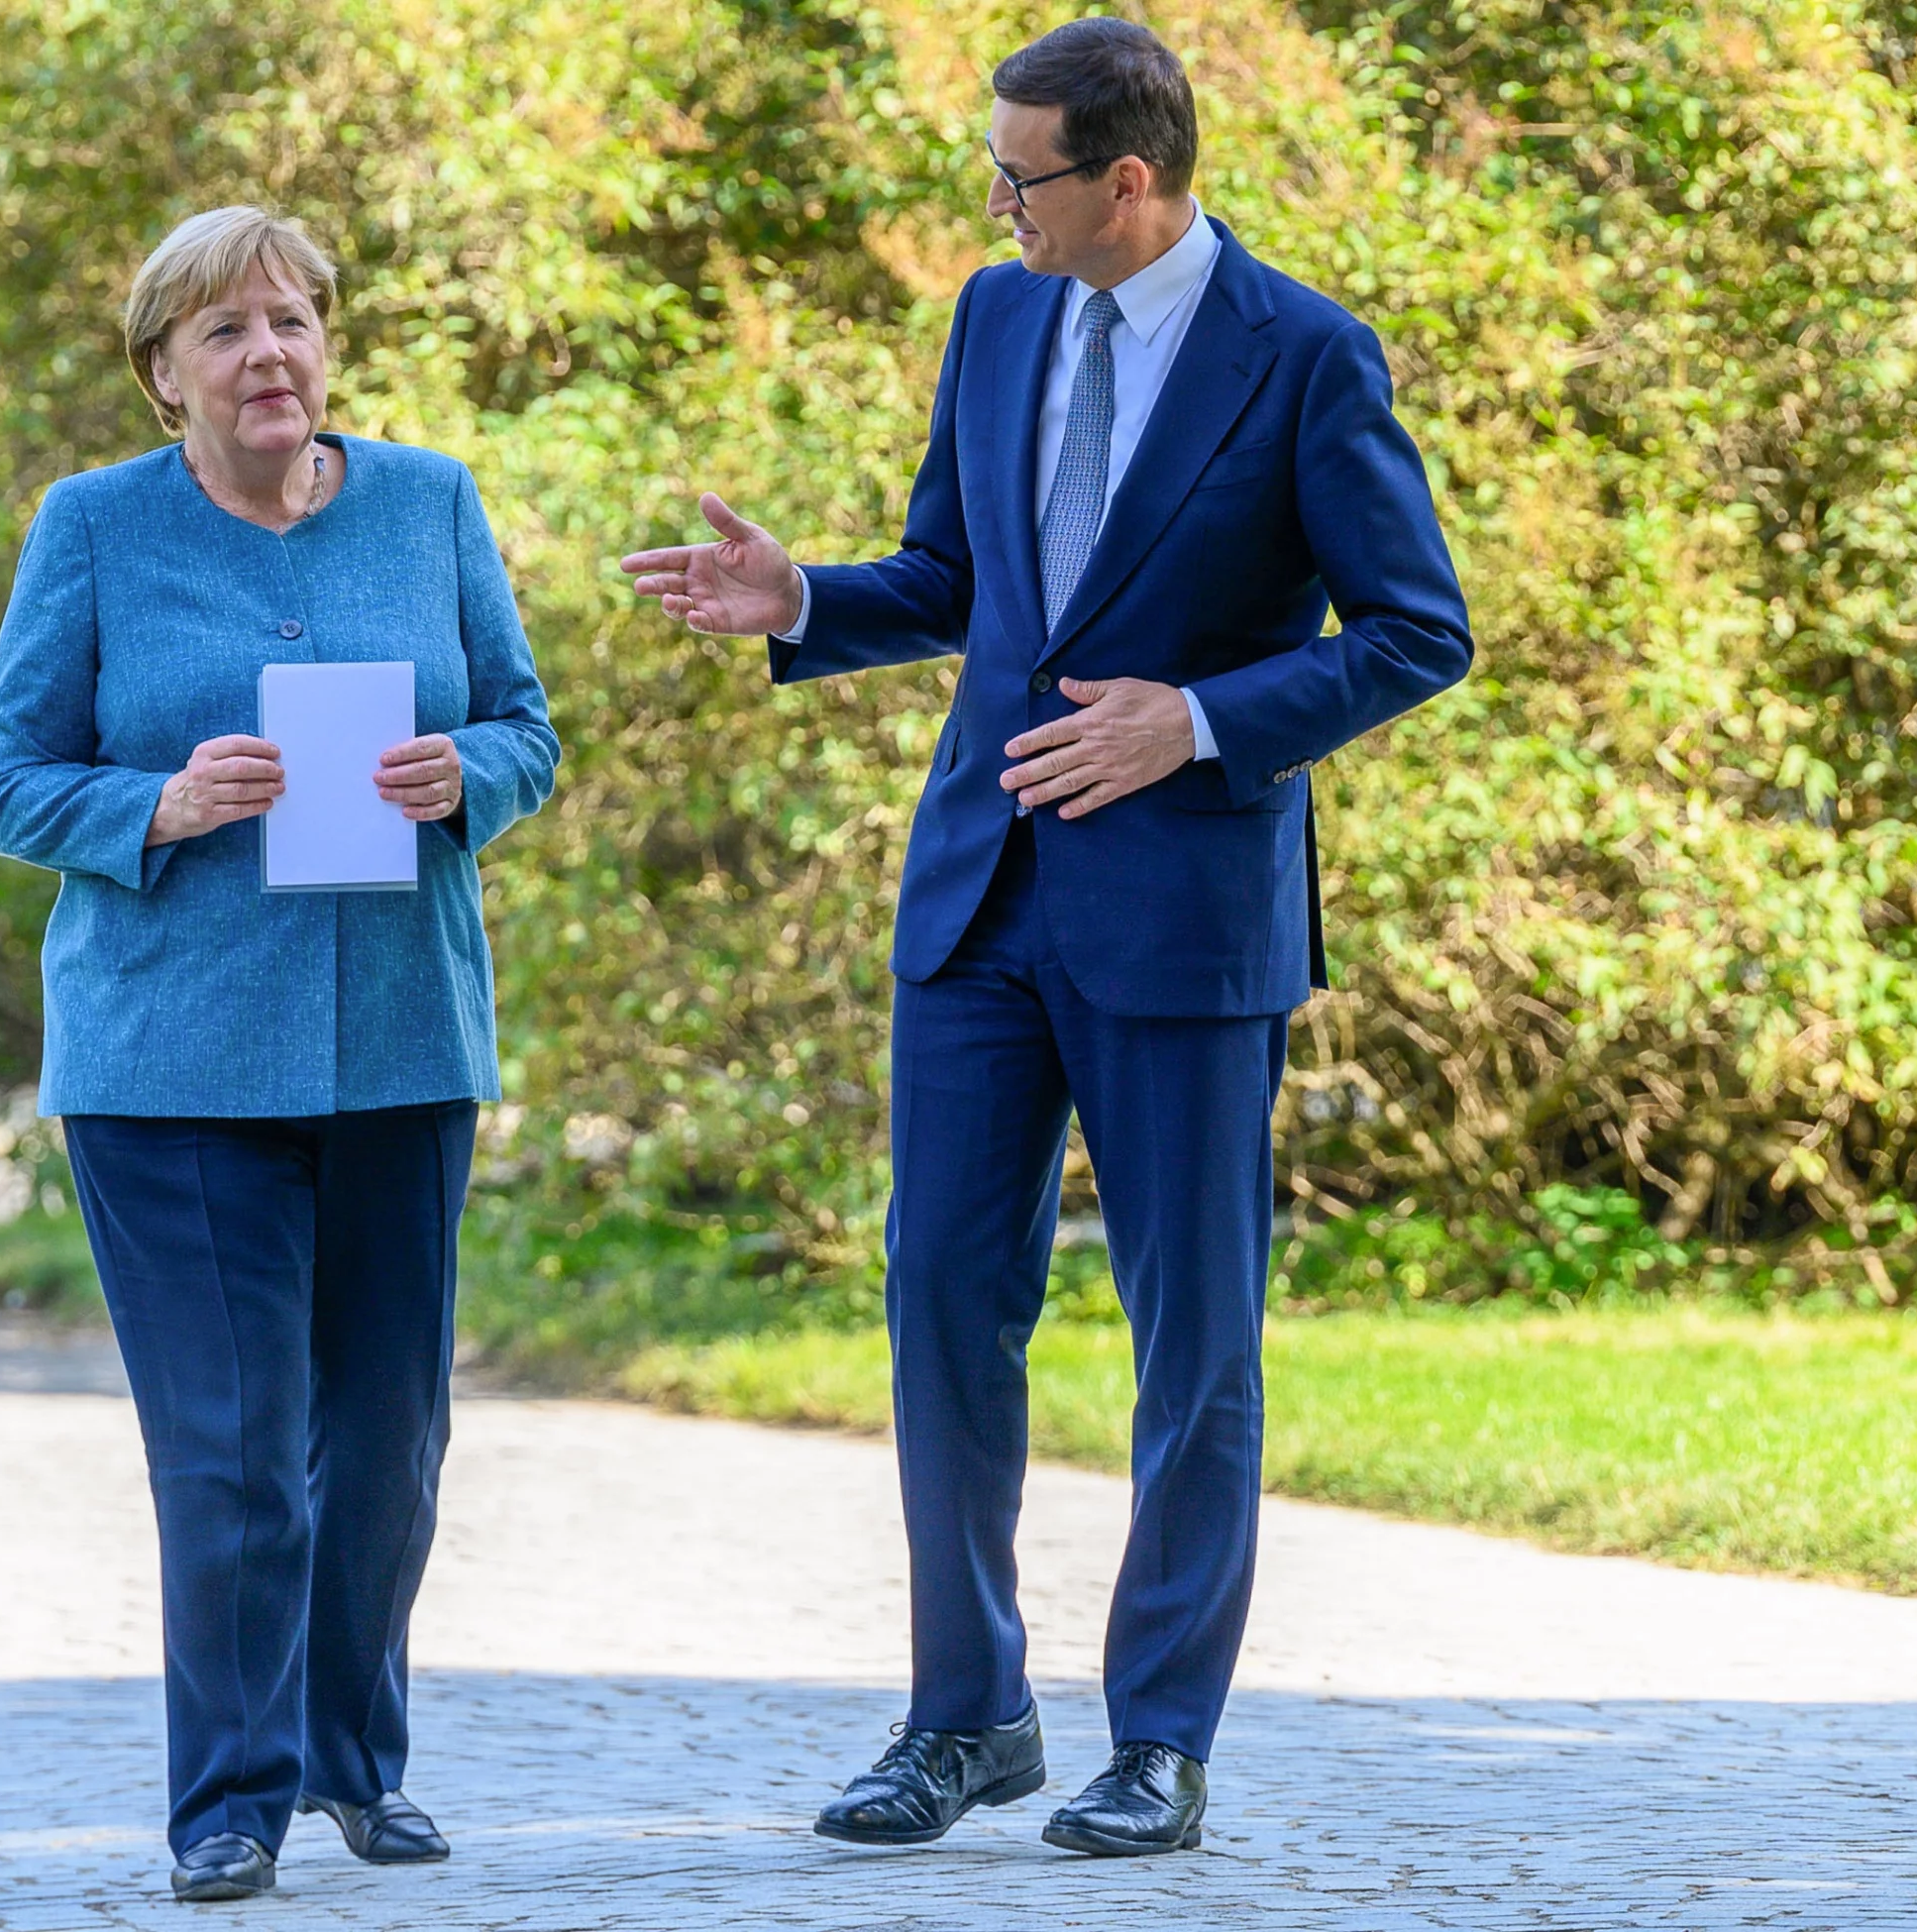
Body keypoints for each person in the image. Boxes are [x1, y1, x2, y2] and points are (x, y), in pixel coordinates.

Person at [622, 18, 1469, 1861]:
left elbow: (1416, 631)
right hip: (978, 903)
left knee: (1196, 1338)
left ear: (1131, 180)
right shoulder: (999, 317)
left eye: (1023, 176)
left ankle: (1158, 1738)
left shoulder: (1306, 357)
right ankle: (969, 1715)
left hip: (1184, 918)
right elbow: (954, 579)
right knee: (940, 1304)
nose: (993, 202)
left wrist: (1204, 717)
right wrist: (804, 602)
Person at [0, 205, 559, 1902]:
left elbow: (527, 719)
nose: (270, 355)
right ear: (166, 373)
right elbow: (5, 778)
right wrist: (153, 801)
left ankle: (358, 1761)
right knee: (231, 1445)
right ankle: (229, 1796)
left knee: (385, 1439)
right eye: (225, 332)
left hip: (400, 1038)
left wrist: (473, 777)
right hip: (171, 1063)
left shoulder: (432, 502)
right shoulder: (91, 529)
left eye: (292, 320)